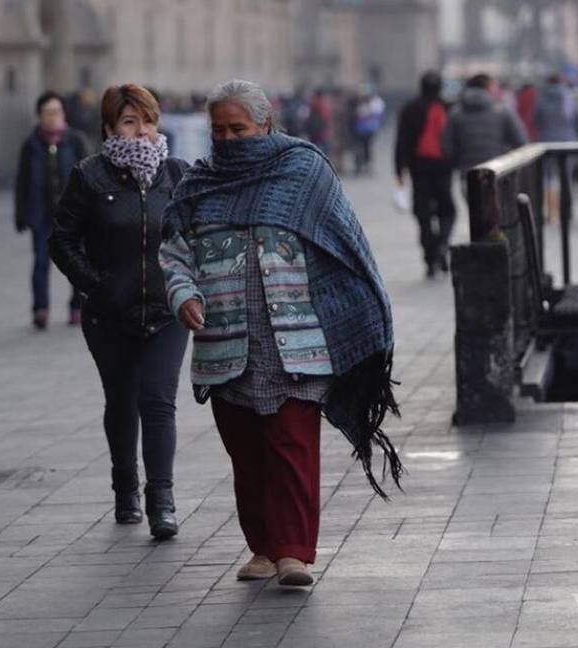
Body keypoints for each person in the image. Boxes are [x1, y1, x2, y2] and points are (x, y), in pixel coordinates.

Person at [159, 79, 403, 587]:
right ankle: (262, 549)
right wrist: (182, 294)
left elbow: (340, 242)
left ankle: (293, 552)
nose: (227, 140)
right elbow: (175, 252)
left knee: (291, 446)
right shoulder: (197, 186)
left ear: (264, 125)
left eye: (238, 129)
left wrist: (352, 311)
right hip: (225, 343)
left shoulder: (303, 170)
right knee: (247, 454)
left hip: (297, 341)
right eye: (219, 130)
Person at [49, 84, 190, 538]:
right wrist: (94, 284)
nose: (142, 131)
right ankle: (125, 486)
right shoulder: (90, 176)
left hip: (166, 312)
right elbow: (62, 240)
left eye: (148, 120)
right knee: (122, 401)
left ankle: (162, 500)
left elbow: (195, 236)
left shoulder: (177, 174)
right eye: (130, 122)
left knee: (159, 401)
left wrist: (190, 286)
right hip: (109, 314)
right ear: (110, 127)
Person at [14, 91, 88, 330]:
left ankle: (77, 306)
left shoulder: (76, 140)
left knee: (76, 260)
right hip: (42, 214)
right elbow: (22, 181)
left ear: (63, 113)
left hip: (73, 215)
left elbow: (89, 177)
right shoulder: (31, 144)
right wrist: (21, 214)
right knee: (41, 262)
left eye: (56, 111)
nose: (52, 117)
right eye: (47, 112)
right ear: (40, 116)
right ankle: (41, 309)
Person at [395, 70, 455, 278]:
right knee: (447, 210)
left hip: (418, 168)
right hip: (443, 167)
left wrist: (399, 170)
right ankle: (443, 244)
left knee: (423, 214)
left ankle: (430, 258)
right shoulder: (449, 107)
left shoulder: (410, 109)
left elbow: (401, 141)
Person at [442, 73, 527, 173]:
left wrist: (458, 161)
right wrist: (506, 157)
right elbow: (520, 140)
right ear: (488, 87)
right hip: (497, 168)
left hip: (467, 169)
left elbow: (447, 143)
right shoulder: (502, 111)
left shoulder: (456, 112)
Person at [536, 74, 578, 221]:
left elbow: (537, 120)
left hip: (547, 143)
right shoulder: (569, 99)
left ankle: (551, 211)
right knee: (567, 177)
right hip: (568, 143)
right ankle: (566, 210)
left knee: (549, 177)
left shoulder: (542, 100)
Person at [353, 85, 386, 175]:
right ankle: (360, 165)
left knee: (367, 147)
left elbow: (378, 116)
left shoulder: (375, 103)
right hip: (360, 129)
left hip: (369, 129)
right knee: (361, 147)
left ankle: (367, 164)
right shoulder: (359, 104)